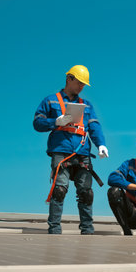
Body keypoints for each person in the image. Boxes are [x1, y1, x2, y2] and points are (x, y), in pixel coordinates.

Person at [33, 65, 108, 235]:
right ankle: (54, 231)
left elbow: (94, 126)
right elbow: (37, 122)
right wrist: (55, 122)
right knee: (59, 190)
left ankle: (87, 231)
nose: (82, 87)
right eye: (80, 83)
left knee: (86, 193)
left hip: (83, 152)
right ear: (69, 79)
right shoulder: (51, 101)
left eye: (84, 84)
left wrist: (101, 144)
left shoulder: (86, 105)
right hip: (61, 151)